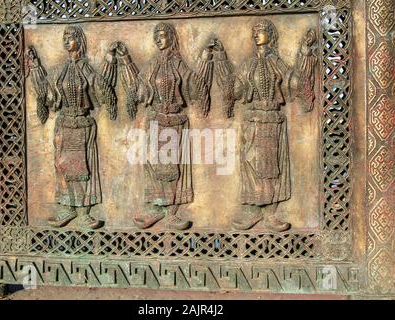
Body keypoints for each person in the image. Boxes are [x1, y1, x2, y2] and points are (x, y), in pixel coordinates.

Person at [213, 19, 318, 231]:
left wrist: (305, 51)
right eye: (254, 31)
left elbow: (295, 82)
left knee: (273, 169)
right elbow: (234, 87)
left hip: (273, 120)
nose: (256, 34)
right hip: (253, 122)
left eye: (261, 31)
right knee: (252, 165)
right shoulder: (249, 64)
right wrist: (221, 58)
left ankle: (270, 215)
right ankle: (253, 212)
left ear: (270, 34)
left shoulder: (277, 62)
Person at [114, 22, 214, 230]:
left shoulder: (178, 63)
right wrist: (125, 60)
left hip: (175, 121)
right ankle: (157, 207)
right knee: (155, 165)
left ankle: (171, 213)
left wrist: (205, 59)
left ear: (171, 37)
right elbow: (138, 88)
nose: (158, 39)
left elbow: (194, 87)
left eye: (162, 35)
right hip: (156, 121)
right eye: (156, 36)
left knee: (172, 167)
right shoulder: (152, 64)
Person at [26, 25, 126, 229]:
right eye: (64, 37)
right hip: (64, 125)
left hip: (82, 124)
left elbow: (103, 88)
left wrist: (110, 58)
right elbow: (43, 90)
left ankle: (84, 212)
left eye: (71, 37)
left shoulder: (86, 69)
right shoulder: (59, 70)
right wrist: (35, 65)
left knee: (84, 169)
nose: (66, 40)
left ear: (80, 41)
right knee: (63, 168)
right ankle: (67, 208)